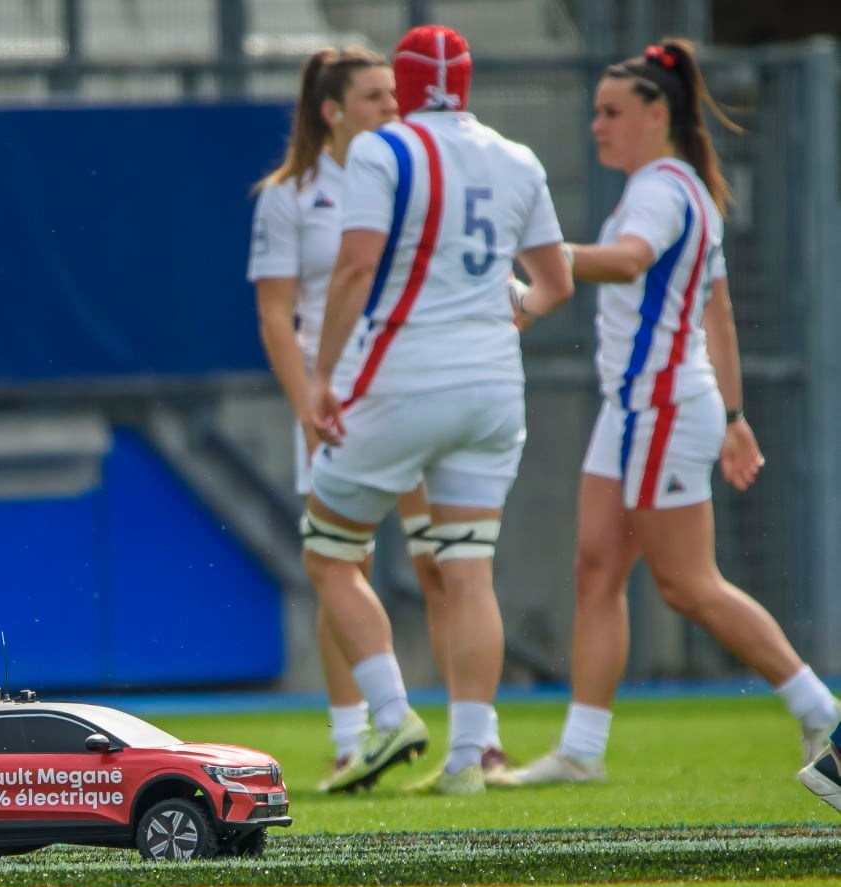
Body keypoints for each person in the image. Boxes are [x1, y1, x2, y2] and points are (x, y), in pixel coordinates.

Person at [498, 39, 841, 813]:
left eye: (611, 112)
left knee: (687, 584)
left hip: (656, 406)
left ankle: (821, 711)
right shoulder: (678, 185)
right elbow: (715, 312)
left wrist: (542, 259)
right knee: (595, 568)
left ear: (658, 113)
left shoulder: (659, 189)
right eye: (593, 113)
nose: (596, 126)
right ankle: (580, 750)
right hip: (636, 408)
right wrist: (733, 415)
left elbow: (624, 262)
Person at [304, 25, 574, 795]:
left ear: (408, 86)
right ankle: (466, 760)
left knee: (327, 551)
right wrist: (505, 310)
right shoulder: (516, 157)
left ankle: (390, 714)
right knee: (466, 570)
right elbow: (554, 285)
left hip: (402, 378)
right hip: (493, 386)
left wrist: (324, 373)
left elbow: (357, 264)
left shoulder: (381, 151)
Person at [248, 46, 512, 790]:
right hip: (337, 402)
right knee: (344, 564)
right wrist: (305, 399)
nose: (392, 109)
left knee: (440, 563)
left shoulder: (409, 174)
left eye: (395, 96)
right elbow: (274, 314)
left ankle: (476, 741)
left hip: (409, 385)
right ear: (332, 112)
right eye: (374, 98)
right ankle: (350, 738)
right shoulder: (288, 196)